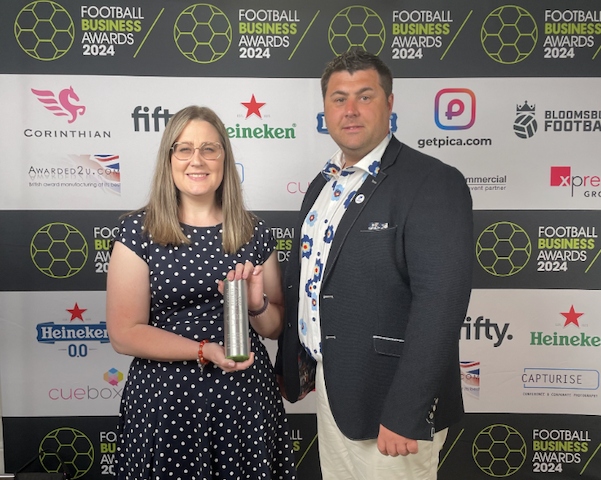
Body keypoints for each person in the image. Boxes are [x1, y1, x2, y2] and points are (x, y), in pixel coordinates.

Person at [276, 50, 473, 480]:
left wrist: (407, 409)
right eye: (338, 98)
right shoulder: (322, 185)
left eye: (364, 96)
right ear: (324, 108)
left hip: (393, 402)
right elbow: (311, 283)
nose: (350, 110)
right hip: (334, 387)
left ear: (389, 102)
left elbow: (441, 304)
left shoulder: (432, 181)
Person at [106, 105, 297, 480]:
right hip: (167, 404)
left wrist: (256, 304)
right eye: (185, 149)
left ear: (224, 157)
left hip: (244, 401)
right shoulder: (138, 233)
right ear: (169, 158)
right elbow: (124, 333)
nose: (198, 160)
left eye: (210, 149)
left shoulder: (254, 233)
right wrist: (203, 351)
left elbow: (274, 328)